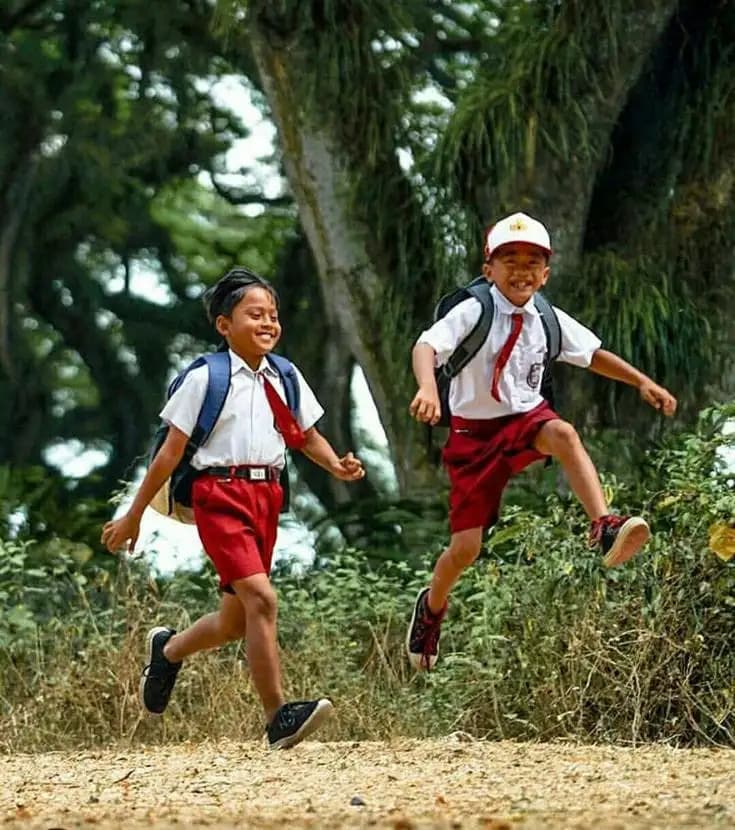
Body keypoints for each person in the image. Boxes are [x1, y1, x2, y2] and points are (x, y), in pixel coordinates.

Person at [101, 267, 365, 748]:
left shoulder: (285, 375)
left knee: (235, 620)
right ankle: (278, 717)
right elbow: (170, 452)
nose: (268, 323)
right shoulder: (204, 377)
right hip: (217, 495)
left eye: (273, 315)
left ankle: (169, 650)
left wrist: (336, 466)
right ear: (224, 325)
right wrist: (134, 513)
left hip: (267, 497)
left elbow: (305, 436)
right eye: (254, 314)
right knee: (263, 599)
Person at [406, 212, 677, 671]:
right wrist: (428, 388)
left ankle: (604, 525)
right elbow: (426, 346)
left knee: (564, 433)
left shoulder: (546, 316)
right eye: (509, 259)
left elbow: (592, 354)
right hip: (473, 438)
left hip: (525, 420)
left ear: (546, 273)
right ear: (488, 268)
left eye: (533, 261)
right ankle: (431, 609)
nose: (521, 269)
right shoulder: (476, 308)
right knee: (466, 549)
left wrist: (640, 382)